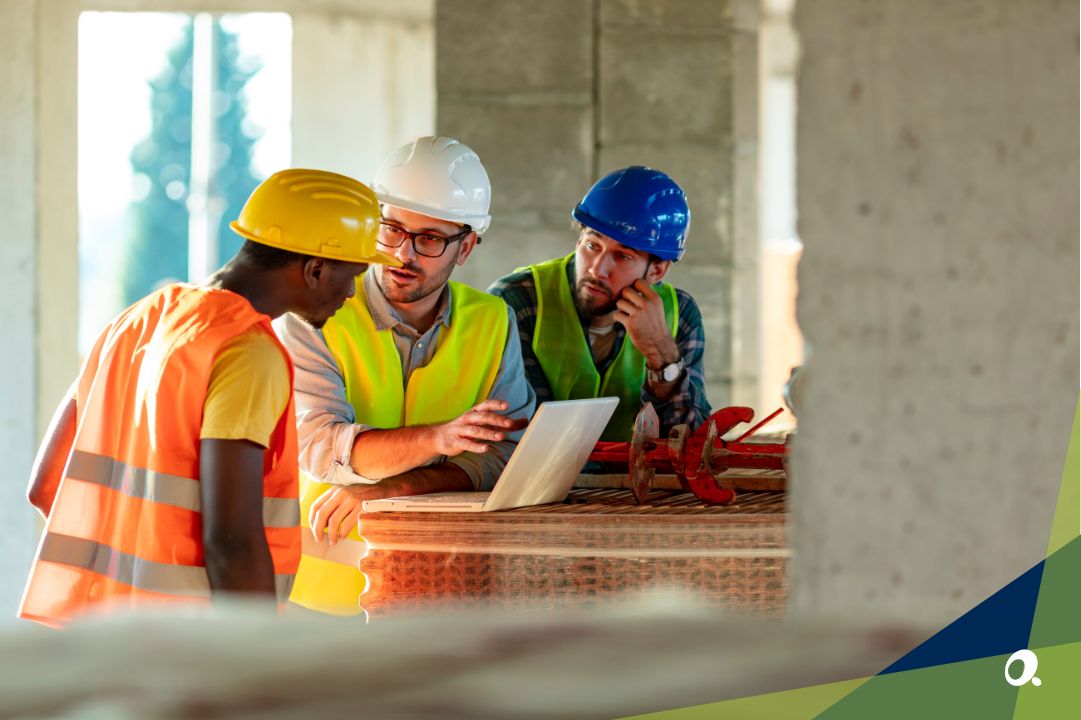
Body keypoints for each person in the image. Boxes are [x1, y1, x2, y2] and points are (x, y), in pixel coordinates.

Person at [19, 169, 395, 627]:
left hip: (99, 633)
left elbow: (46, 487)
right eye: (352, 274)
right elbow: (232, 541)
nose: (351, 292)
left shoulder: (134, 322)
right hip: (186, 647)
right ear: (316, 269)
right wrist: (250, 654)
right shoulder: (246, 350)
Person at [277, 137, 535, 615]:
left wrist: (395, 488)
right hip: (317, 591)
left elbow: (506, 458)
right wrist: (440, 441)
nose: (402, 253)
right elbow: (319, 450)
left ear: (467, 246)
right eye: (391, 228)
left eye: (430, 238)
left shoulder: (492, 321)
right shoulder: (314, 313)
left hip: (441, 589)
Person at [489, 166, 711, 442]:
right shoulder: (517, 301)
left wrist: (662, 355)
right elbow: (520, 433)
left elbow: (692, 443)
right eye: (592, 246)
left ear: (657, 271)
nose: (597, 269)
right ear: (579, 238)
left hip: (637, 484)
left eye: (622, 257)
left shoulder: (680, 314)